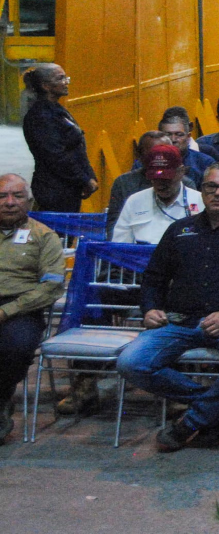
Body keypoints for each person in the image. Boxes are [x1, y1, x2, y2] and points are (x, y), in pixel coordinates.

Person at [117, 163, 219, 452]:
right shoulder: (179, 230)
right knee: (131, 363)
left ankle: (189, 423)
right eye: (211, 187)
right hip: (180, 321)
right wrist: (150, 308)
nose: (218, 193)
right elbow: (154, 278)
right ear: (202, 191)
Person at [0, 174, 65, 444]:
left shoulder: (43, 236)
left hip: (21, 309)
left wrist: (7, 311)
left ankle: (2, 400)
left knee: (15, 347)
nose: (10, 202)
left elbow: (52, 286)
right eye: (2, 196)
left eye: (17, 196)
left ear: (30, 201)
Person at [20, 63, 96, 212]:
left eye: (66, 77)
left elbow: (76, 148)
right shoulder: (40, 116)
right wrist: (83, 179)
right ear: (46, 86)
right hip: (54, 188)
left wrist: (88, 176)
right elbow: (56, 156)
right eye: (60, 79)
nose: (66, 82)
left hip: (68, 186)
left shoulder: (57, 110)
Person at [112, 144, 203, 245]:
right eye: (155, 179)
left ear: (181, 172)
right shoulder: (135, 202)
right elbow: (119, 246)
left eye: (166, 179)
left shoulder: (199, 201)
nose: (160, 185)